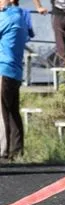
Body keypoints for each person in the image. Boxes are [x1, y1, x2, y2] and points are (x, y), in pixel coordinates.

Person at [0, 0, 28, 161]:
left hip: (3, 68)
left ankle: (3, 150)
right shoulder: (21, 17)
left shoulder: (6, 18)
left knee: (2, 112)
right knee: (12, 111)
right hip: (15, 70)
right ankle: (16, 150)